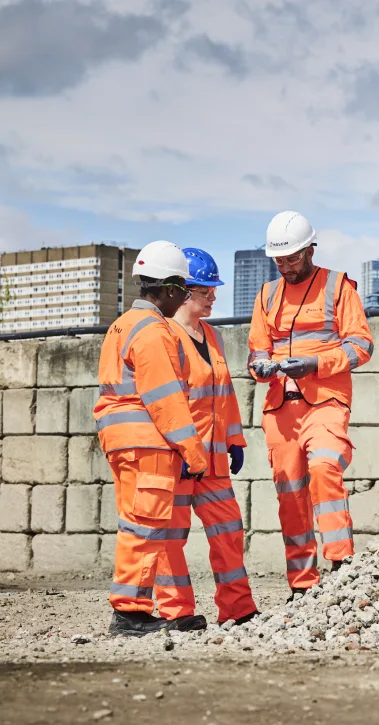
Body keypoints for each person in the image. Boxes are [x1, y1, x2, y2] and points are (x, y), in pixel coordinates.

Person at [247, 211, 374, 600]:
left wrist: (316, 364)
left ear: (309, 250)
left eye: (292, 259)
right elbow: (256, 351)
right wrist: (261, 369)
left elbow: (361, 346)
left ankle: (340, 564)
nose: (285, 267)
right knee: (290, 492)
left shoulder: (338, 287)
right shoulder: (267, 295)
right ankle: (302, 583)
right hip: (280, 407)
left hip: (325, 401)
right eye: (279, 261)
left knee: (323, 467)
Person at [94, 240, 209, 637]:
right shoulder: (155, 331)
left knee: (134, 525)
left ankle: (133, 610)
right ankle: (130, 614)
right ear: (167, 288)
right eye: (182, 288)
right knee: (146, 527)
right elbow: (166, 400)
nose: (185, 296)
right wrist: (195, 454)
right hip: (147, 443)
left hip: (121, 439)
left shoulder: (122, 324)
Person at [154, 247, 259, 627]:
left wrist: (235, 440)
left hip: (212, 463)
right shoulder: (164, 337)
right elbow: (164, 401)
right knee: (170, 539)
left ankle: (238, 609)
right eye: (206, 291)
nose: (214, 297)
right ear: (182, 291)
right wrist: (180, 448)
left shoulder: (212, 336)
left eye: (214, 291)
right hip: (178, 460)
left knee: (229, 532)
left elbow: (223, 394)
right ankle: (176, 612)